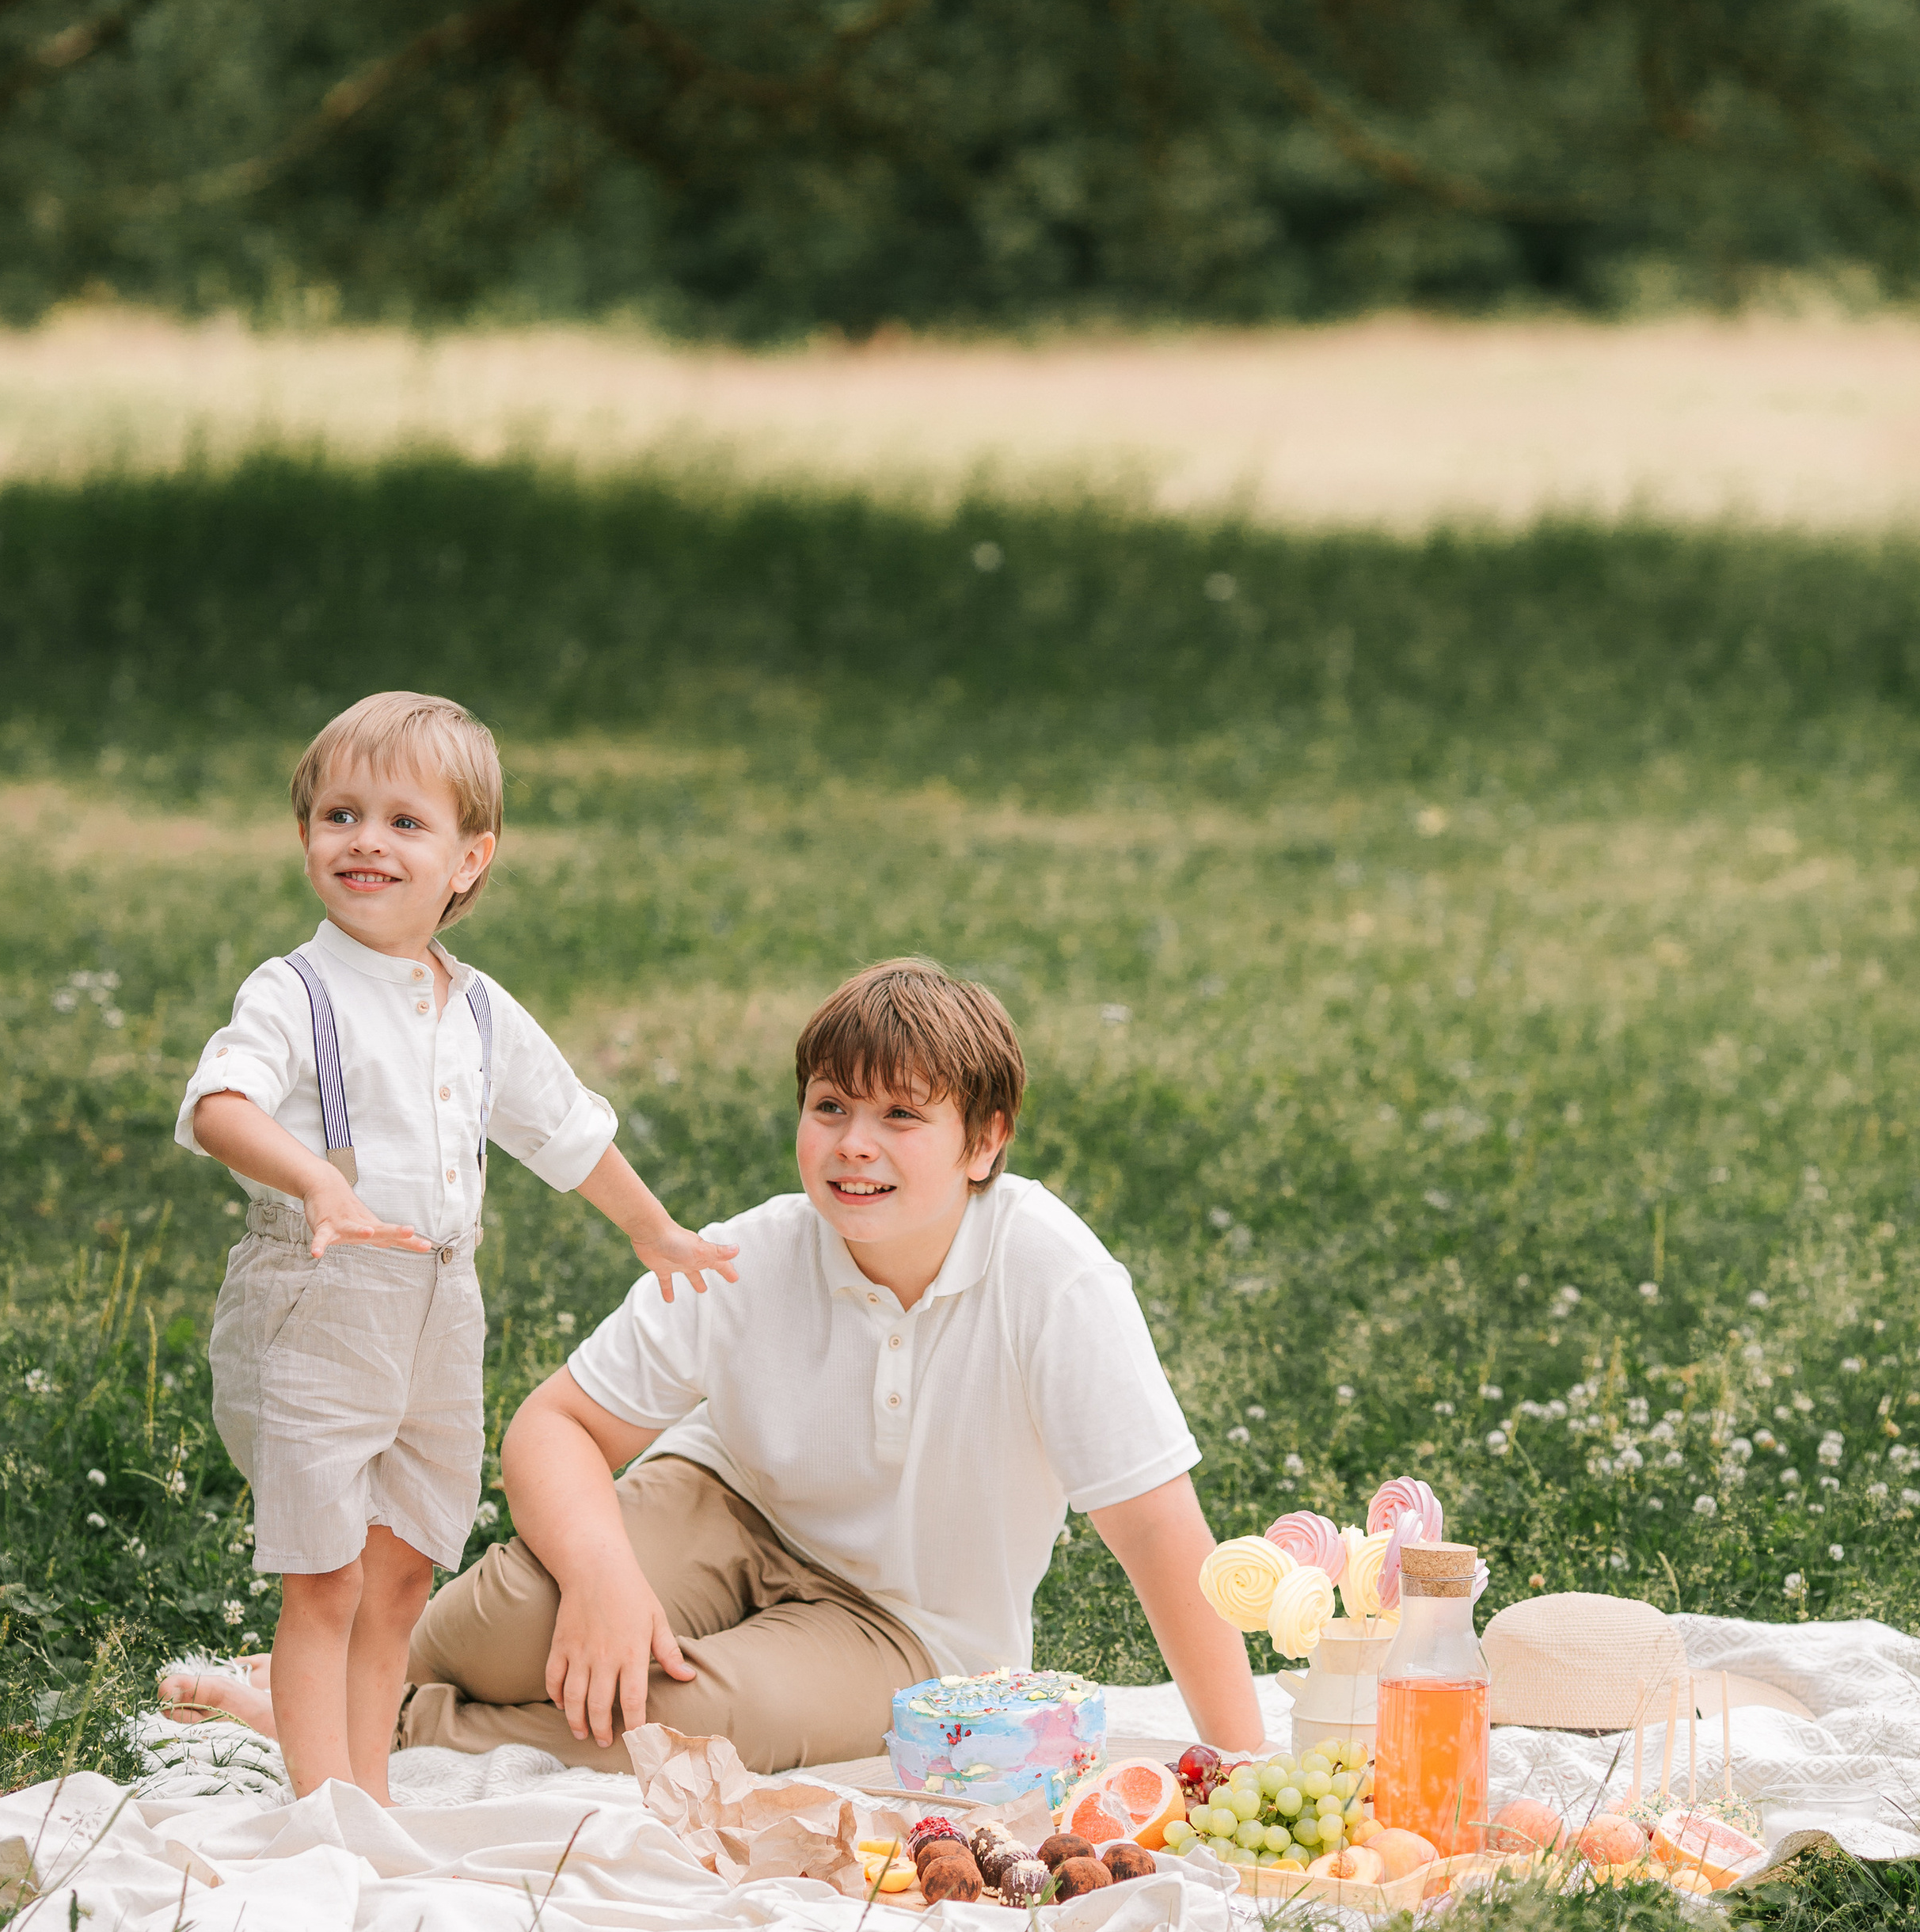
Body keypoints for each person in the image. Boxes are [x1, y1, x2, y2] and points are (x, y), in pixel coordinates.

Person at [395, 955, 1264, 1769]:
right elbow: (558, 1423)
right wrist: (602, 1581)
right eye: (830, 1108)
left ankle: (405, 1723)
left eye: (900, 1116)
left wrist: (1241, 1764)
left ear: (985, 1142)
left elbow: (1157, 1531)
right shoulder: (752, 1253)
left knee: (683, 1718)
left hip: (904, 1626)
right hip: (728, 1504)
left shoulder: (1053, 1277)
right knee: (498, 1630)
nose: (854, 1142)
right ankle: (374, 1670)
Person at [167, 688, 736, 1803]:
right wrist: (317, 1178)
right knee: (326, 1577)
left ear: (470, 860)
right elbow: (217, 1106)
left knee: (400, 1572)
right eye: (340, 816)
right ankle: (321, 1812)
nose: (366, 840)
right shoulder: (294, 991)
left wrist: (650, 1226)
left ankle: (367, 1792)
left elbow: (562, 1127)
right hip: (320, 1293)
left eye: (403, 822)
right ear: (305, 838)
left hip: (441, 1304)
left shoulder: (475, 1008)